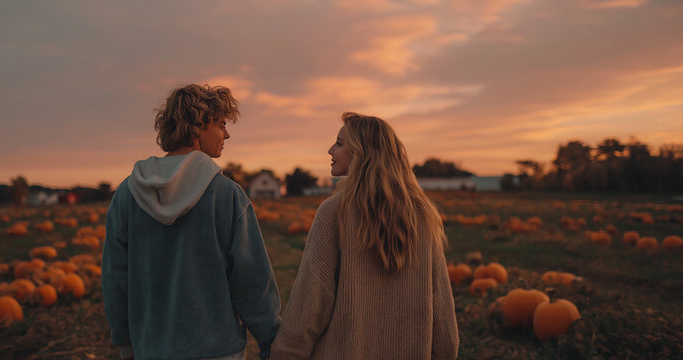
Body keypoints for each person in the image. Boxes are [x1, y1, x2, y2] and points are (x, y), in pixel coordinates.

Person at [103, 84, 281, 360]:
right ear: (198, 126)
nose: (227, 133)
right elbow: (252, 281)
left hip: (151, 349)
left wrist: (125, 342)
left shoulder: (127, 194)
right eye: (221, 124)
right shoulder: (226, 195)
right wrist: (271, 341)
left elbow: (115, 278)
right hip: (218, 351)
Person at [269, 112, 459, 359]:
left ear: (362, 151)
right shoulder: (422, 215)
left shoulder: (334, 212)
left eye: (339, 143)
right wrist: (446, 352)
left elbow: (311, 300)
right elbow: (441, 304)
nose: (330, 150)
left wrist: (284, 354)